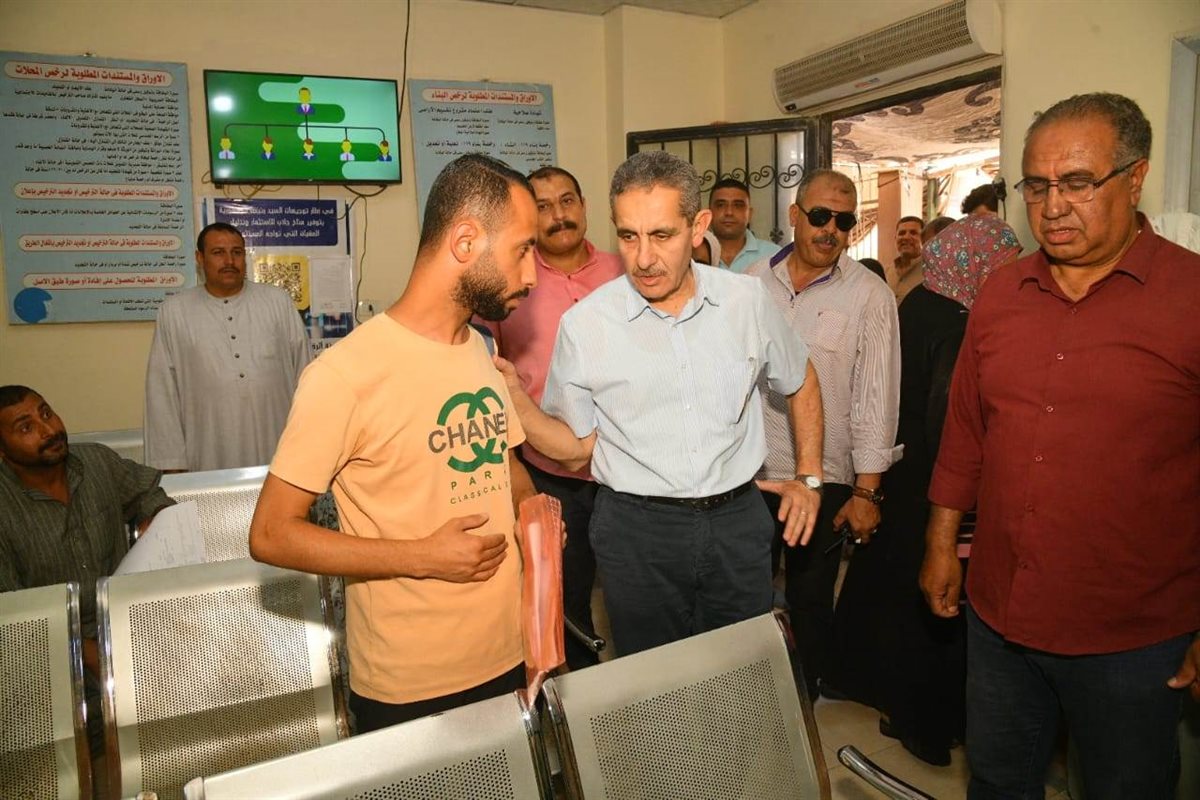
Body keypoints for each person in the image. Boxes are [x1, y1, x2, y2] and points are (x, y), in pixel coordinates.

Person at [920, 92, 1200, 798]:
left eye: (1077, 183)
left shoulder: (1190, 297)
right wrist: (939, 543)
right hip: (999, 615)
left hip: (1133, 635)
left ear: (1135, 179)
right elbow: (966, 434)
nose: (1052, 207)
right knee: (997, 780)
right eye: (1036, 186)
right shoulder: (1000, 293)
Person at [249, 154, 541, 731]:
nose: (532, 275)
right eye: (523, 249)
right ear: (466, 241)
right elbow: (271, 534)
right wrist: (421, 557)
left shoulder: (479, 349)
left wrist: (533, 512)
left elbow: (504, 467)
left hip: (511, 651)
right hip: (414, 683)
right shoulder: (344, 375)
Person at [497, 150, 824, 658]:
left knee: (742, 672)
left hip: (737, 522)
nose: (644, 258)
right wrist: (516, 399)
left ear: (698, 227)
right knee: (653, 683)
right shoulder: (587, 325)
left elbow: (801, 378)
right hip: (637, 532)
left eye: (662, 235)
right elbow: (576, 448)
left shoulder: (746, 301)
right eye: (628, 236)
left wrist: (810, 478)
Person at [834, 215, 1021, 766]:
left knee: (890, 586)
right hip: (936, 477)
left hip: (901, 467)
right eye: (1003, 265)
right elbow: (949, 417)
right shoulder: (957, 320)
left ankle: (872, 687)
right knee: (934, 600)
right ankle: (923, 723)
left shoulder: (916, 303)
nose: (1009, 276)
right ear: (974, 264)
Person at [747, 169, 901, 700]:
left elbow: (877, 399)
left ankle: (806, 697)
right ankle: (754, 695)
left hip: (824, 478)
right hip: (753, 475)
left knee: (810, 598)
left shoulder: (870, 296)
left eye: (844, 220)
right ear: (795, 215)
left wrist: (867, 492)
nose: (830, 229)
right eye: (819, 216)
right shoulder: (750, 285)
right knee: (746, 597)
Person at [482, 165, 622, 670]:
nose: (558, 215)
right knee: (564, 596)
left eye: (567, 201)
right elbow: (484, 365)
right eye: (542, 206)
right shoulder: (510, 281)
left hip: (625, 468)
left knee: (635, 593)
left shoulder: (625, 270)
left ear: (584, 206)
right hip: (548, 470)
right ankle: (578, 696)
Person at [0, 385, 175, 766]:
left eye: (46, 413)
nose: (48, 430)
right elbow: (14, 621)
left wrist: (155, 519)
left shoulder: (95, 461)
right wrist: (88, 651)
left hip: (131, 627)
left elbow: (150, 493)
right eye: (26, 427)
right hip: (45, 669)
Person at [145, 222, 311, 472]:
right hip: (208, 451)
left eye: (236, 252)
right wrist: (171, 464)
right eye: (218, 253)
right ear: (200, 259)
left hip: (279, 449)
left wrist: (311, 444)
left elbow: (307, 376)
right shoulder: (174, 311)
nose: (229, 261)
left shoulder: (277, 302)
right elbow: (162, 393)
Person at [708, 177, 781, 272]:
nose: (729, 212)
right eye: (720, 205)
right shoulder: (693, 256)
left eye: (738, 205)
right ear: (708, 214)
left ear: (749, 214)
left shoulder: (774, 255)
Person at [889, 215, 925, 304]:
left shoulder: (931, 274)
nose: (906, 237)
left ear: (924, 239)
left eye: (913, 233)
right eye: (901, 233)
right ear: (895, 238)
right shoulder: (886, 272)